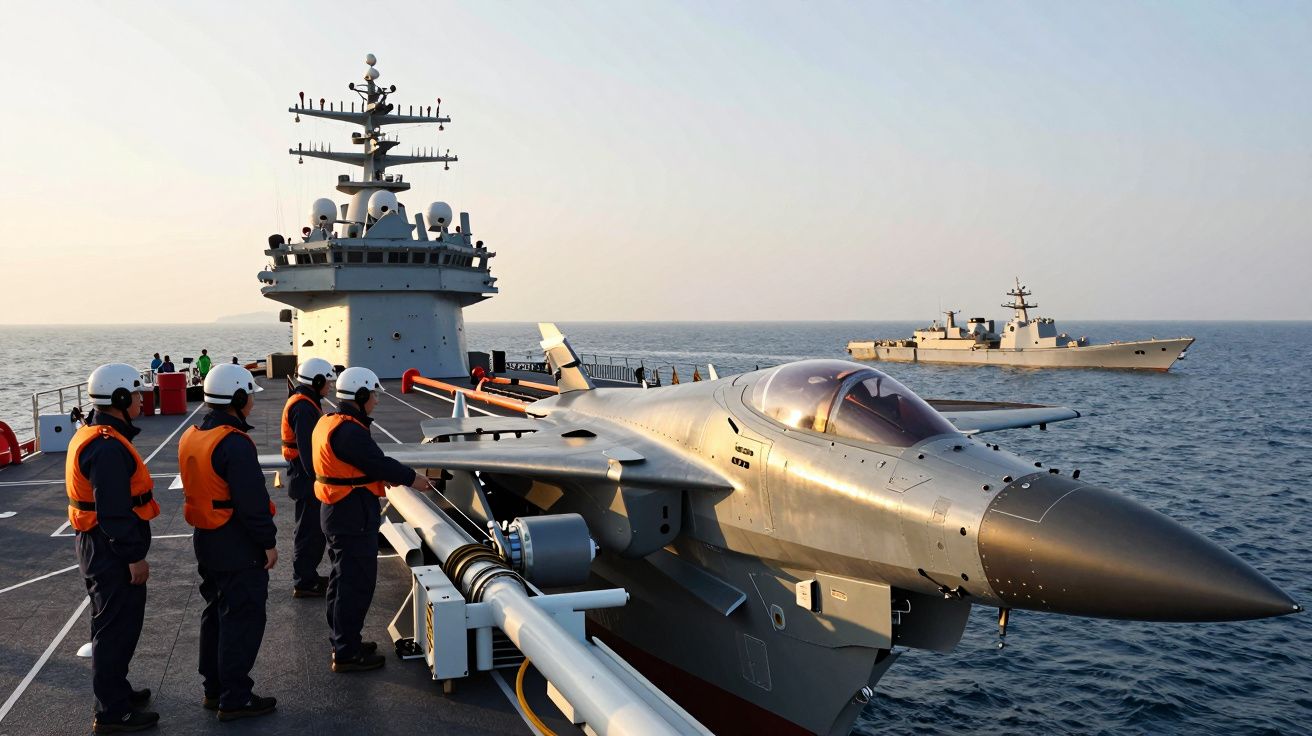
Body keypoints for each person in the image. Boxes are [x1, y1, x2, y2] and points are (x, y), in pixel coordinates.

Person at [178, 364, 278, 721]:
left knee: (215, 613)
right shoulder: (234, 443)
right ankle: (235, 697)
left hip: (206, 539)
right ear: (237, 399)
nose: (252, 401)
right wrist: (268, 542)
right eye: (249, 395)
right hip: (237, 544)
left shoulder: (193, 434)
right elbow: (251, 502)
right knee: (242, 619)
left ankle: (214, 688)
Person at [313, 366, 427, 672]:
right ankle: (347, 653)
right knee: (355, 584)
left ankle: (343, 641)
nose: (376, 400)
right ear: (361, 396)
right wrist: (413, 479)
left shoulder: (330, 421)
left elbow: (358, 466)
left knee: (342, 580)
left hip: (337, 511)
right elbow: (377, 462)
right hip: (352, 516)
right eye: (373, 395)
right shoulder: (350, 431)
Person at [66, 364, 160, 733]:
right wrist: (133, 556)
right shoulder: (106, 447)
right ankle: (111, 712)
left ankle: (117, 691)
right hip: (110, 550)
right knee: (114, 629)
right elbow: (113, 510)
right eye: (135, 394)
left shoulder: (96, 434)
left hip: (100, 544)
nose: (141, 400)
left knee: (116, 625)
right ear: (119, 398)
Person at [281, 358, 335, 597]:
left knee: (311, 531)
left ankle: (308, 576)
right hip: (306, 480)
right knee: (309, 533)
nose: (330, 386)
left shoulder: (306, 401)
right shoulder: (303, 408)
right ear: (318, 381)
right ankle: (304, 582)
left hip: (303, 477)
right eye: (328, 382)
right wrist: (320, 480)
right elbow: (307, 452)